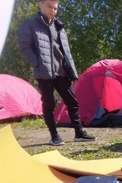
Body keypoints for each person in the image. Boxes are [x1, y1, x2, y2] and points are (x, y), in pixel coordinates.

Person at [18, 0, 95, 146]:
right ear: (40, 4)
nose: (52, 10)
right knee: (49, 104)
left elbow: (65, 51)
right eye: (49, 6)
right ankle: (54, 136)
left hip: (62, 71)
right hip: (44, 72)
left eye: (55, 8)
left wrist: (71, 70)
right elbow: (24, 46)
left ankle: (79, 133)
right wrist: (37, 63)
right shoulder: (30, 24)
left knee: (72, 102)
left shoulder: (59, 26)